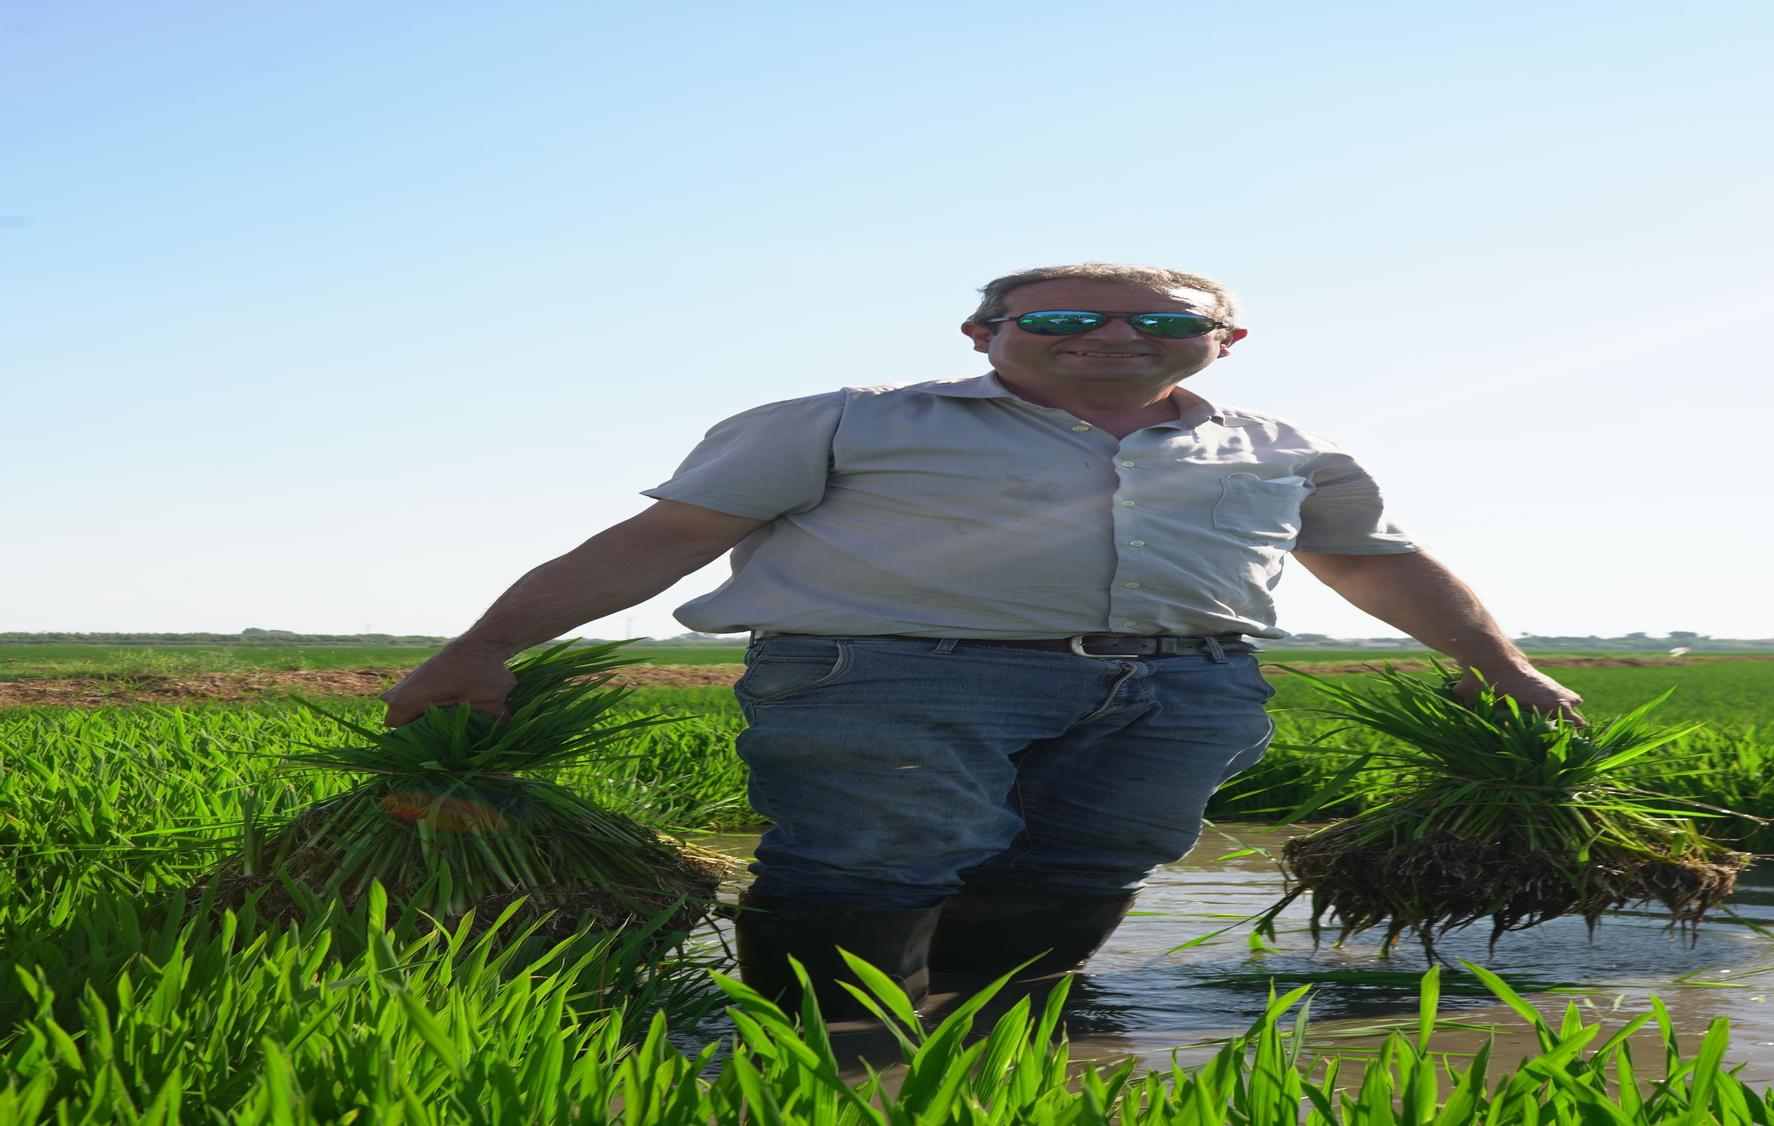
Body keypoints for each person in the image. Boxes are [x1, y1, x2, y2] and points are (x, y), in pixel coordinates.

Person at [381, 262, 1583, 1018]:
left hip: (1183, 687)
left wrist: (1498, 662)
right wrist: (486, 644)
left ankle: (994, 1031)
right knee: (875, 856)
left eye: (1162, 320)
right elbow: (662, 540)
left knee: (1096, 860)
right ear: (982, 332)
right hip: (895, 677)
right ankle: (828, 1054)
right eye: (1061, 318)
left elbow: (1374, 560)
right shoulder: (851, 423)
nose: (1110, 337)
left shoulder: (1281, 448)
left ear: (1226, 339)